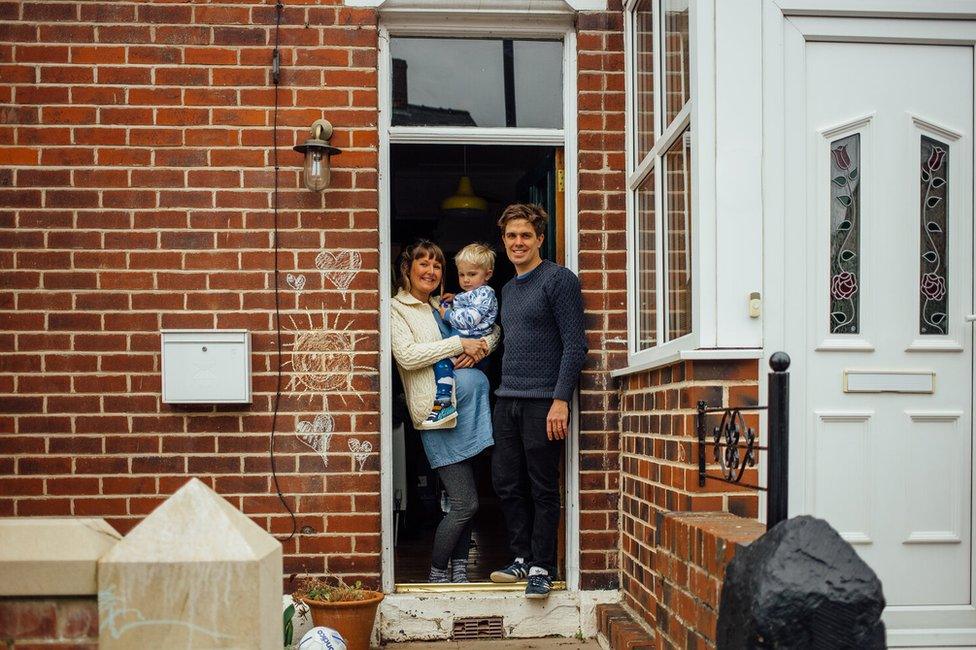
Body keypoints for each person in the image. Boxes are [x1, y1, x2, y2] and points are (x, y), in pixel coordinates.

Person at [489, 204, 587, 599]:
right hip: (506, 400)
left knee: (542, 486)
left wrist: (560, 399)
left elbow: (575, 346)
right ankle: (519, 558)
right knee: (506, 483)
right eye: (511, 236)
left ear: (540, 239)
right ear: (504, 241)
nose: (518, 242)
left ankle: (542, 566)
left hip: (542, 402)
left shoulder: (558, 280)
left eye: (525, 235)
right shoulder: (508, 290)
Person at [390, 239, 500, 584]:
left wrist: (480, 348)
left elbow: (493, 330)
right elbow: (407, 356)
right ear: (407, 269)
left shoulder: (445, 304)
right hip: (437, 417)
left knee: (458, 504)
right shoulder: (397, 309)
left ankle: (460, 570)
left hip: (467, 415)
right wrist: (457, 344)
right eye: (423, 264)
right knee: (466, 503)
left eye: (437, 265)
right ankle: (438, 571)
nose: (431, 271)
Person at [424, 243, 499, 427]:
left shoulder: (486, 294)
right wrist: (455, 298)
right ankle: (443, 403)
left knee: (448, 368)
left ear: (487, 274)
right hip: (464, 346)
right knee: (442, 365)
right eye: (461, 274)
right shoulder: (472, 292)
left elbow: (470, 318)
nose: (466, 280)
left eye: (472, 274)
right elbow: (467, 299)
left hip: (475, 347)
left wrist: (447, 314)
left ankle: (446, 404)